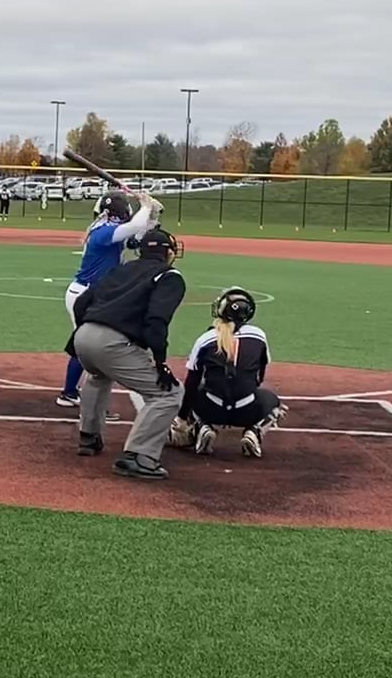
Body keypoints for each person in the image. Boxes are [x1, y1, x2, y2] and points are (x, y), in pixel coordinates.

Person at [67, 226, 188, 479]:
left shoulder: (121, 269)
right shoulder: (169, 276)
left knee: (98, 375)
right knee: (169, 394)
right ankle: (138, 456)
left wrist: (85, 330)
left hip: (83, 336)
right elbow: (156, 320)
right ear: (168, 252)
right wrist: (160, 363)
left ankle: (88, 437)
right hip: (111, 342)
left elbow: (81, 303)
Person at [58, 190, 161, 409]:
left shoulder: (107, 229)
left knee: (88, 344)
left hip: (93, 294)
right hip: (84, 294)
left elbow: (135, 240)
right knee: (86, 345)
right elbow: (134, 227)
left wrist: (152, 218)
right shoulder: (103, 232)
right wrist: (145, 206)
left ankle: (73, 392)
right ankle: (72, 394)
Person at [168, 287, 289, 459]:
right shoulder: (259, 336)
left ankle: (202, 426)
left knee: (192, 391)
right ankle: (254, 432)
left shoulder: (205, 339)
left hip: (212, 409)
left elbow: (191, 383)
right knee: (273, 401)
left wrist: (181, 418)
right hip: (247, 410)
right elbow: (259, 378)